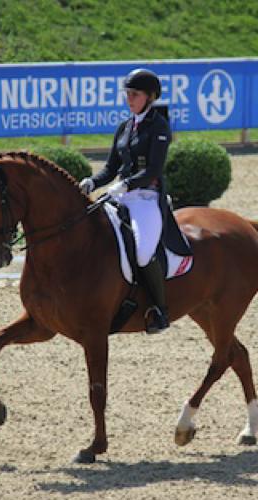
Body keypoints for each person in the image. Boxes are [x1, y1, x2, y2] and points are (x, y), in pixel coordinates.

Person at [79, 68, 188, 334]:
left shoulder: (159, 127)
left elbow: (153, 169)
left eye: (134, 94)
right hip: (121, 196)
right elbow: (110, 167)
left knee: (142, 252)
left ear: (150, 97)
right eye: (127, 93)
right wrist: (93, 182)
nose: (129, 98)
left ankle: (160, 311)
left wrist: (126, 184)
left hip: (146, 199)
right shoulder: (125, 127)